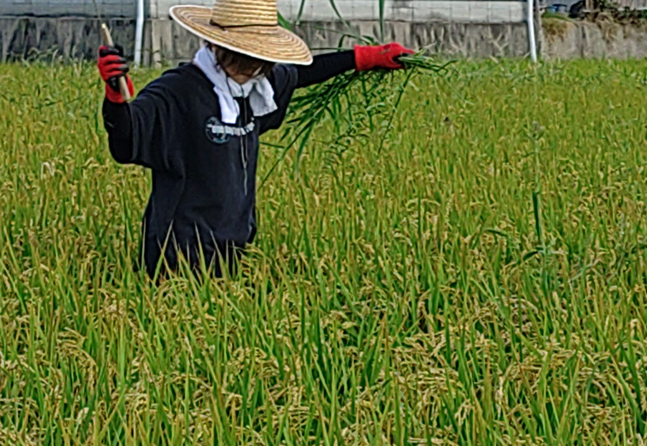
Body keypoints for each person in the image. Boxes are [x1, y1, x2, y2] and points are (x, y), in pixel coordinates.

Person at [98, 0, 413, 278]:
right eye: (248, 55)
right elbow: (128, 140)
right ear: (221, 46)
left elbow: (303, 73)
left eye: (262, 56)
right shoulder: (176, 93)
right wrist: (115, 99)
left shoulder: (256, 87)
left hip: (234, 251)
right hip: (177, 258)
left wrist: (364, 58)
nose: (257, 64)